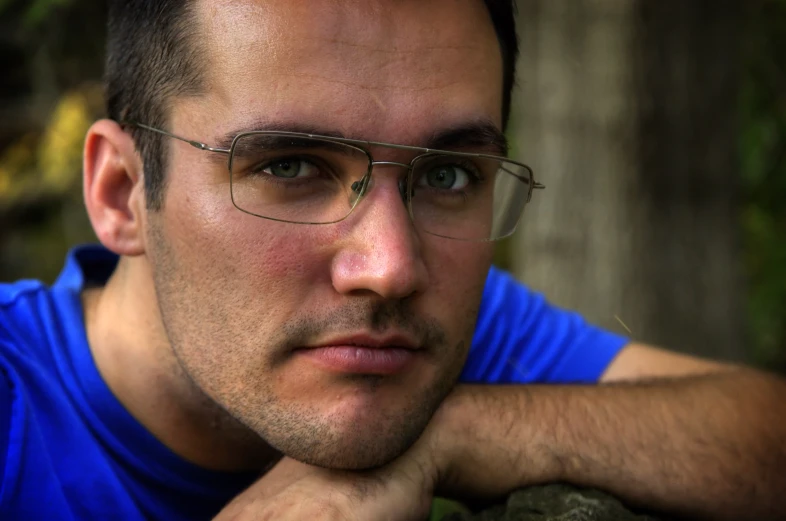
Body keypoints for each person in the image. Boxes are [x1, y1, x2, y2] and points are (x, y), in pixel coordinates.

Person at [1, 0, 784, 519]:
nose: (391, 267)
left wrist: (462, 432)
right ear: (121, 192)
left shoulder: (440, 338)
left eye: (446, 176)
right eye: (289, 167)